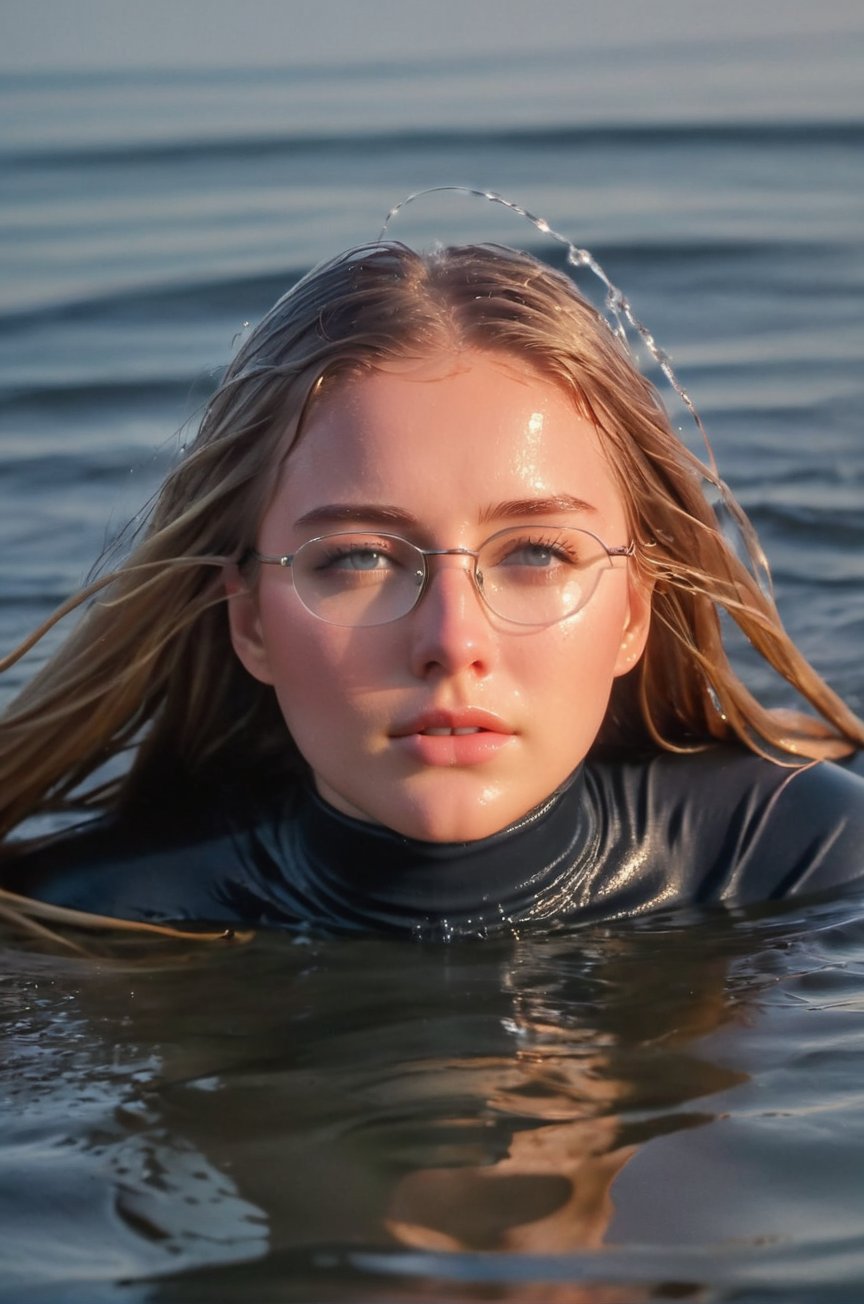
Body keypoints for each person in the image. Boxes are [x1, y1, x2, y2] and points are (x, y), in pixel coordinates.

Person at [1, 238, 863, 937]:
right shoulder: (77, 923)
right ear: (249, 620)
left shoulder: (810, 853)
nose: (453, 642)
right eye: (359, 559)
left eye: (534, 553)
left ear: (633, 610)